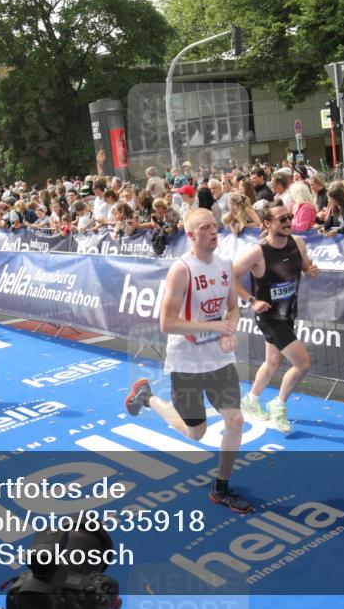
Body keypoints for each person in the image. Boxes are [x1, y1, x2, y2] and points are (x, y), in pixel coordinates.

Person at [123, 209, 251, 514]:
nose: (213, 231)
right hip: (187, 364)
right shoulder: (182, 269)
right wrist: (209, 327)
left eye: (215, 227)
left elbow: (233, 308)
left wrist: (228, 326)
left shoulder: (225, 266)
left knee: (235, 421)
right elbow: (167, 323)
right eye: (205, 228)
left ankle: (221, 487)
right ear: (191, 235)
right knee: (197, 433)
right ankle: (148, 397)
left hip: (219, 359)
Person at [233, 201, 319, 434]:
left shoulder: (297, 243)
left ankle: (250, 399)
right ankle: (278, 405)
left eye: (288, 217)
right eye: (281, 219)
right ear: (267, 224)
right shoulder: (257, 252)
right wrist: (252, 300)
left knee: (273, 362)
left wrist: (310, 270)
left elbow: (305, 267)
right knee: (302, 364)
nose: (287, 221)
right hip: (269, 317)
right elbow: (229, 277)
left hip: (288, 312)